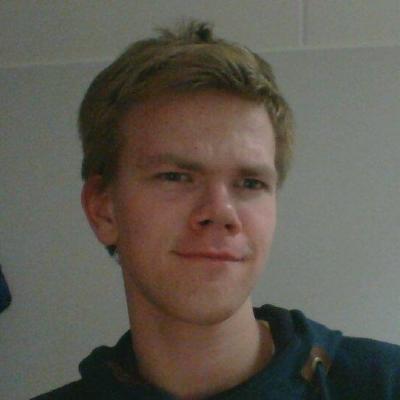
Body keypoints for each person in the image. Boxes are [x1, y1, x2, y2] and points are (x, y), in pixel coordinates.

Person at [33, 20, 400, 400]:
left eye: (250, 183)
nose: (221, 212)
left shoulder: (385, 384)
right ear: (104, 210)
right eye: (175, 176)